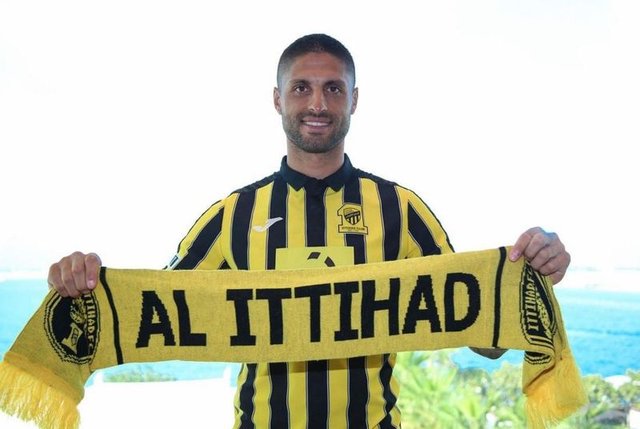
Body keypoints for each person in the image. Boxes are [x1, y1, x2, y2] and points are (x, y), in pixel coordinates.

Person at [47, 34, 571, 429]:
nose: (317, 104)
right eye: (301, 88)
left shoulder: (401, 210)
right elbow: (153, 309)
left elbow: (481, 337)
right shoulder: (233, 214)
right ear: (278, 99)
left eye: (332, 89)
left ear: (353, 100)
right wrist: (83, 284)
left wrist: (530, 272)